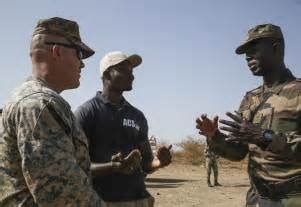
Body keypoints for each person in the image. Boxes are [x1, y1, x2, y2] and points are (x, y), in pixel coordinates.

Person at [0, 17, 104, 206]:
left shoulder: (31, 98)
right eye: (79, 54)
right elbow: (63, 196)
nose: (82, 64)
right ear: (57, 51)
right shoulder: (39, 104)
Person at [196, 24, 301, 207]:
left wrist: (265, 137)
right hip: (256, 199)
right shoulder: (250, 99)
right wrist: (215, 137)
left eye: (253, 50)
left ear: (276, 48)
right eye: (245, 53)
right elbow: (238, 153)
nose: (247, 57)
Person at [75, 51, 172, 207]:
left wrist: (159, 162)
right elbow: (76, 167)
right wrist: (112, 167)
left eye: (132, 71)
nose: (132, 76)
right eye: (124, 70)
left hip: (138, 200)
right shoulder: (86, 113)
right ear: (106, 74)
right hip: (100, 201)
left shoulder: (137, 115)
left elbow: (146, 163)